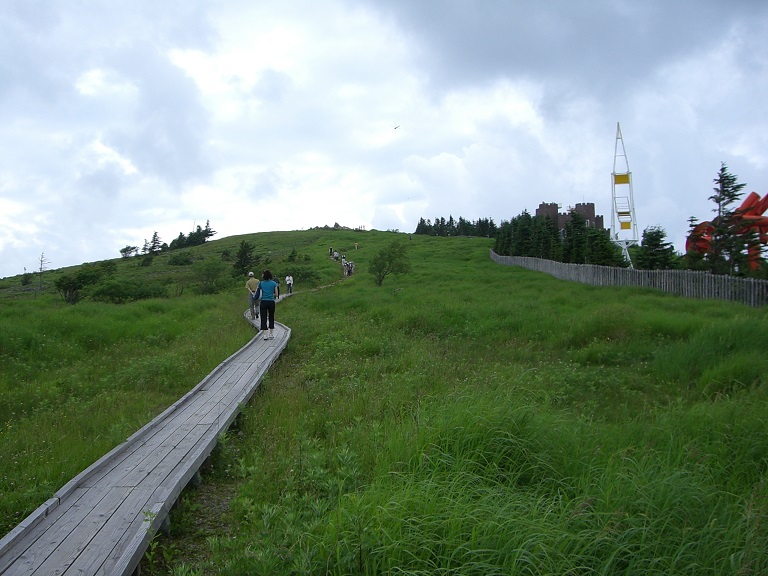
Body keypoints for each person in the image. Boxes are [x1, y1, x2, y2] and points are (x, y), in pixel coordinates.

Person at [255, 269, 279, 340]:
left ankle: (265, 334)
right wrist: (272, 295)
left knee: (263, 317)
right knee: (271, 316)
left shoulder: (261, 283)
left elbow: (257, 292)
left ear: (264, 275)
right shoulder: (274, 283)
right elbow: (277, 294)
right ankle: (271, 333)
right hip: (271, 302)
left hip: (263, 302)